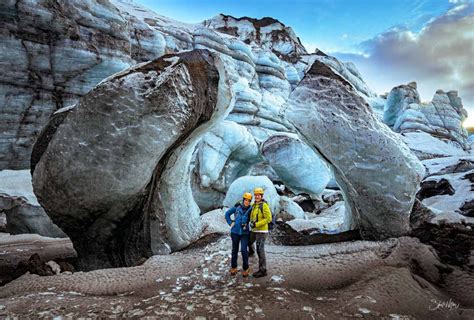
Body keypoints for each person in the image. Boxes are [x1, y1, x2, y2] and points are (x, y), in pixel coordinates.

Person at [225, 192, 253, 277]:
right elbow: (227, 214)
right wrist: (230, 223)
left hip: (245, 233)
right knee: (235, 250)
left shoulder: (251, 209)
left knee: (244, 250)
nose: (247, 202)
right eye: (246, 200)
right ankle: (234, 267)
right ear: (243, 199)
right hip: (235, 232)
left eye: (249, 200)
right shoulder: (237, 208)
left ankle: (246, 268)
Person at [248, 187, 272, 278]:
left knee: (260, 249)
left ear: (261, 196)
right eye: (256, 195)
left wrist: (257, 224)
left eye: (259, 195)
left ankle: (263, 270)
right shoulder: (254, 205)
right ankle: (251, 251)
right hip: (254, 230)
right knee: (248, 241)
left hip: (262, 231)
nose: (257, 196)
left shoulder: (264, 205)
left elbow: (268, 218)